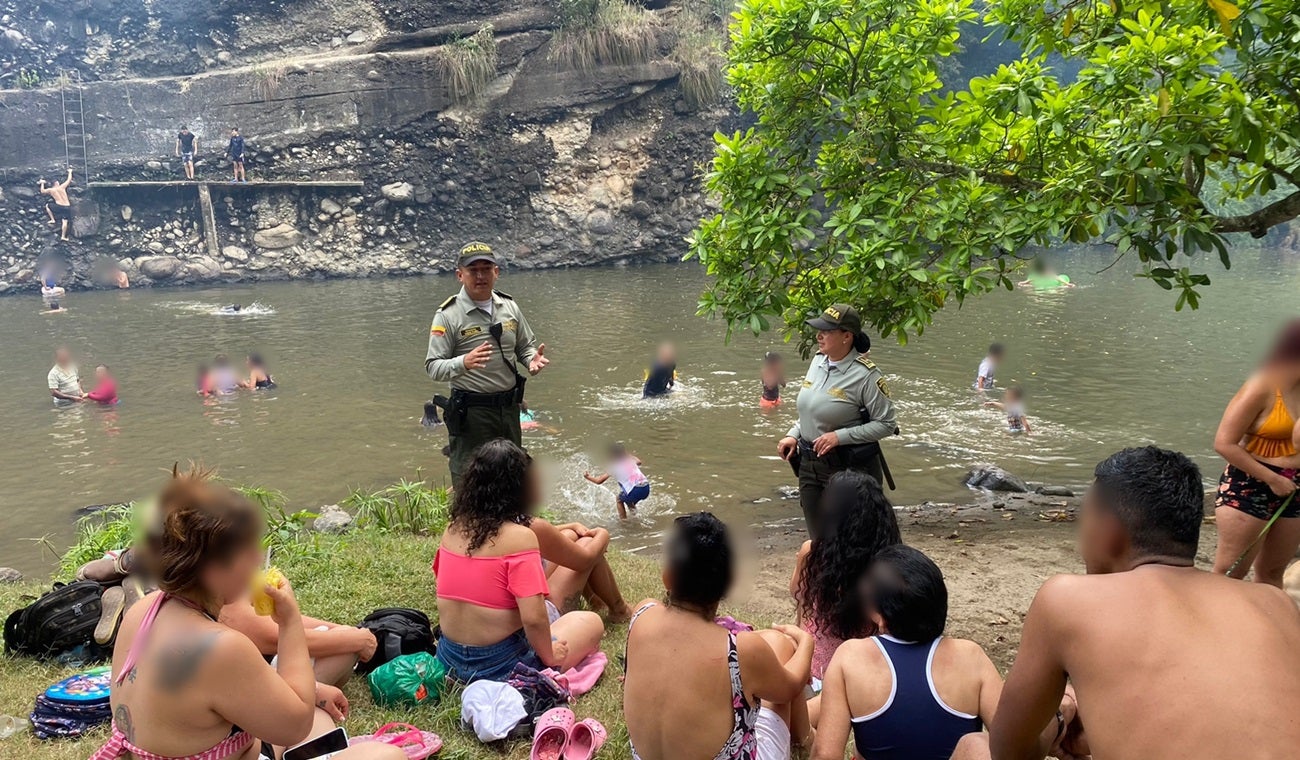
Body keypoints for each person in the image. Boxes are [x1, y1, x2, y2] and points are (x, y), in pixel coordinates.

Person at [989, 446, 1300, 760]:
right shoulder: (1275, 603)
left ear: (1109, 530)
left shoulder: (1065, 598)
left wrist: (1058, 723)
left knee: (972, 748)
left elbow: (1008, 751)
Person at [89, 468, 403, 760]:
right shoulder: (221, 647)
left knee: (321, 716)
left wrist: (317, 692)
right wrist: (289, 622)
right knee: (387, 755)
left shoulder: (143, 609)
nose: (257, 559)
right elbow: (296, 724)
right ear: (213, 570)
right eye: (248, 551)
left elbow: (205, 696)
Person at [814, 545, 1074, 760]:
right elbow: (1018, 746)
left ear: (877, 615)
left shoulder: (851, 658)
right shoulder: (970, 657)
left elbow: (826, 755)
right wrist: (1059, 716)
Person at [623, 512, 813, 760]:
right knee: (781, 644)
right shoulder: (740, 650)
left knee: (769, 645)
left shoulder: (642, 613)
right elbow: (789, 689)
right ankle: (806, 740)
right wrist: (806, 643)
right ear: (729, 584)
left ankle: (806, 738)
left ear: (668, 577)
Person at [432, 440, 603, 683]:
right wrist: (549, 655)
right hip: (500, 664)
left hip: (448, 659)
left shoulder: (453, 529)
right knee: (591, 622)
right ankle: (615, 609)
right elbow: (533, 619)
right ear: (519, 487)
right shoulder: (521, 537)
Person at [425, 242, 549, 484]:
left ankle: (512, 520)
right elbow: (433, 367)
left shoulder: (509, 307)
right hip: (473, 413)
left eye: (486, 268)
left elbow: (524, 346)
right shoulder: (447, 315)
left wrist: (531, 360)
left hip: (509, 409)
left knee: (513, 474)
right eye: (473, 270)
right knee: (471, 478)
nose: (480, 275)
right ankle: (468, 522)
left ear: (497, 272)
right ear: (460, 275)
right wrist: (463, 362)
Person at [777, 304, 899, 537]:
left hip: (849, 469)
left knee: (852, 540)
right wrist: (793, 434)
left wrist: (839, 437)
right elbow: (811, 411)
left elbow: (886, 424)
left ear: (846, 336)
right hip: (809, 465)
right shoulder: (818, 361)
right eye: (819, 329)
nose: (818, 336)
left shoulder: (867, 375)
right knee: (818, 540)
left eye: (827, 331)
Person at [790, 472, 900, 710]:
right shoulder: (889, 566)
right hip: (865, 674)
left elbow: (800, 602)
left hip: (815, 671)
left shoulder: (811, 553)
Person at [1212, 320, 1300, 586]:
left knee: (1272, 573)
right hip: (1250, 482)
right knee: (1230, 573)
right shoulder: (1261, 385)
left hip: (1294, 486)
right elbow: (1224, 443)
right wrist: (1273, 480)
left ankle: (1267, 625)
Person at [528, 518, 634, 623]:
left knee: (570, 534)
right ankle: (620, 610)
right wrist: (603, 535)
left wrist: (572, 526)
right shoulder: (533, 525)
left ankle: (597, 602)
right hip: (535, 616)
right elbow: (586, 559)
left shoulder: (514, 524)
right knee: (588, 543)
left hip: (518, 605)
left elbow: (540, 532)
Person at [584, 443, 650, 519]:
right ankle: (635, 515)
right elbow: (639, 462)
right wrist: (627, 455)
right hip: (646, 488)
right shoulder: (630, 460)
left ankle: (623, 522)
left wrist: (588, 477)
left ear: (612, 456)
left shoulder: (614, 467)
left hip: (635, 490)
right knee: (627, 500)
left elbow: (599, 481)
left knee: (619, 499)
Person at [39, 167, 75, 241]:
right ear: (56, 183)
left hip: (59, 206)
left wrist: (42, 183)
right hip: (67, 206)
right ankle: (63, 236)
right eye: (58, 182)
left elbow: (42, 191)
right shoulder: (62, 187)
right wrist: (70, 172)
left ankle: (53, 219)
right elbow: (69, 180)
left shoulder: (51, 190)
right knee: (64, 221)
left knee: (47, 206)